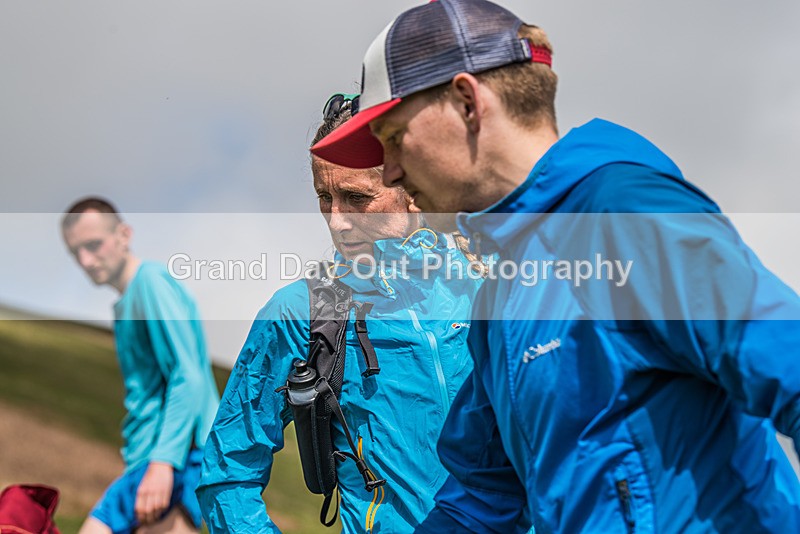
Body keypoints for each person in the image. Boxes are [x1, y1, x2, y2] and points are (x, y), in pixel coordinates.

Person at [310, 1, 800, 532]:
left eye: (393, 138)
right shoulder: (500, 291)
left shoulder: (622, 213)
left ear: (468, 103)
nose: (390, 172)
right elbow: (479, 499)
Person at [195, 95, 482, 532]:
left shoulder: (484, 280)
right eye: (324, 197)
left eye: (355, 197)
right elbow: (228, 472)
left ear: (414, 188)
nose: (336, 220)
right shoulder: (300, 312)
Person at [61, 198, 220, 534]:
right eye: (76, 252)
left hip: (178, 455)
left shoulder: (150, 282)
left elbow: (188, 374)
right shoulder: (127, 301)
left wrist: (163, 463)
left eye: (94, 245)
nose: (86, 260)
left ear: (124, 234)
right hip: (148, 457)